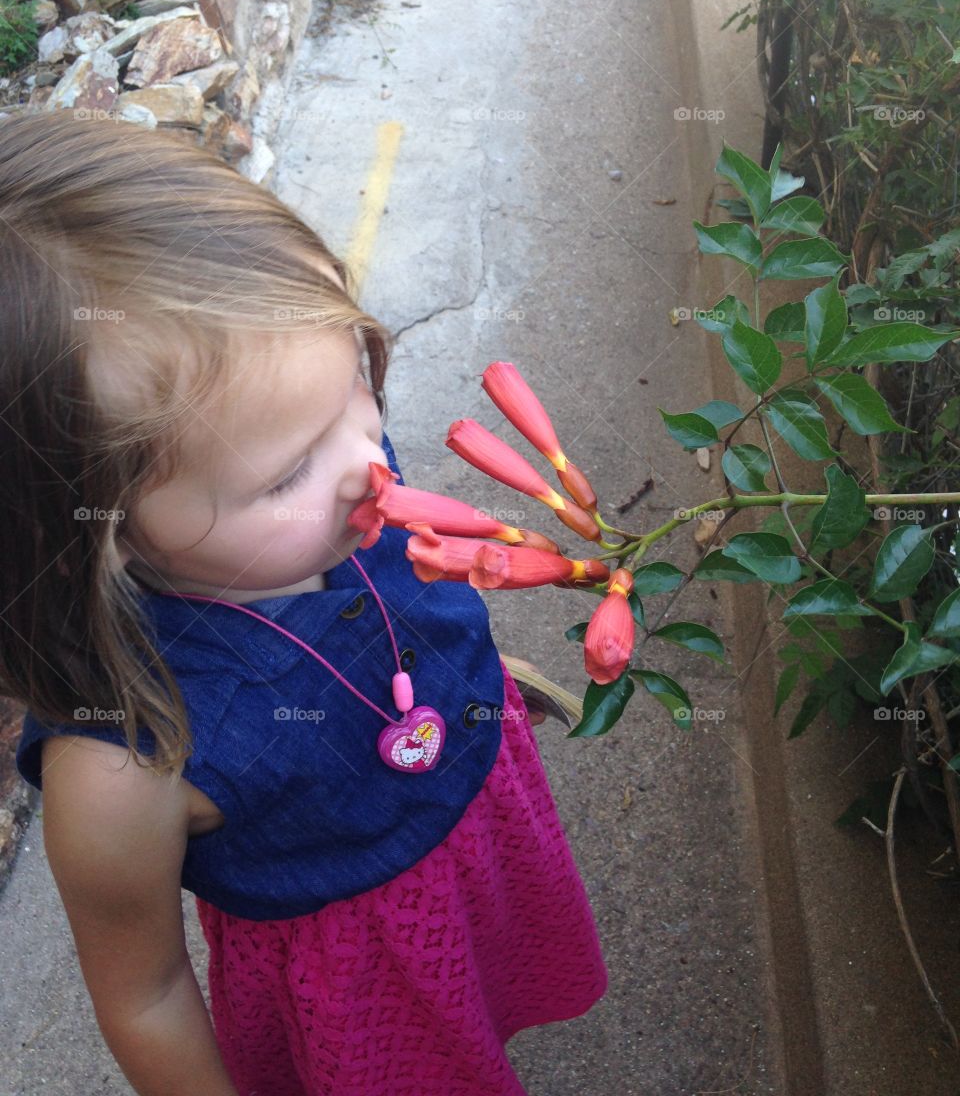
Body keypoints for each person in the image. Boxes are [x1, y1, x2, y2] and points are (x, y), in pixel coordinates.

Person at [3, 110, 609, 1096]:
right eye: (288, 470)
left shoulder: (342, 476)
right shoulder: (123, 763)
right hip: (362, 986)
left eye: (357, 385)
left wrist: (491, 687)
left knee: (491, 990)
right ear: (97, 530)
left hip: (476, 824)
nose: (372, 463)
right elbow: (145, 991)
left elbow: (427, 600)